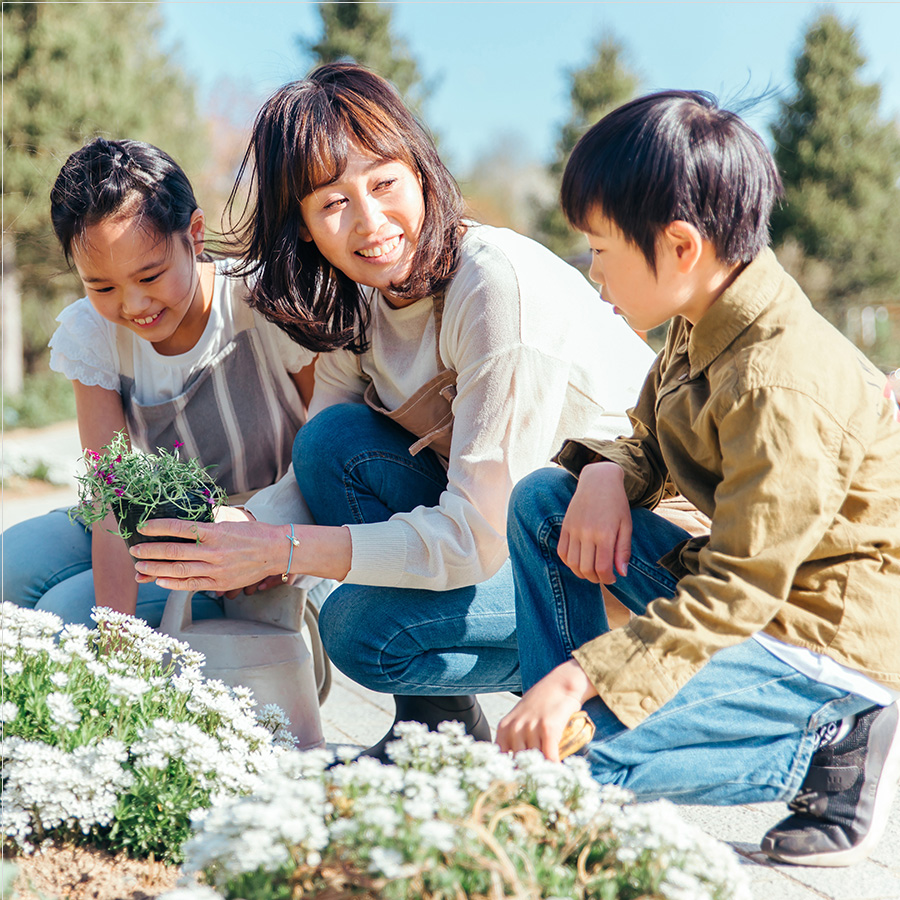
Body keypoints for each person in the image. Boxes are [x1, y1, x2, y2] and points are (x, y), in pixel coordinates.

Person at [127, 63, 656, 759]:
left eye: (383, 183)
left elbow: (475, 538)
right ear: (307, 226)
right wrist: (242, 528)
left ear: (421, 172)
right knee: (332, 445)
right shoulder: (371, 297)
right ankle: (437, 735)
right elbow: (324, 452)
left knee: (363, 629)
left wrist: (284, 551)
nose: (371, 223)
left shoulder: (494, 289)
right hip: (530, 541)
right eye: (332, 203)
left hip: (633, 561)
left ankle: (622, 686)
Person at [495, 91, 900, 868]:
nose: (593, 273)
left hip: (817, 634)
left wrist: (588, 673)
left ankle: (835, 743)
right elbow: (651, 432)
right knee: (547, 502)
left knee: (581, 772)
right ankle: (551, 738)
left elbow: (742, 590)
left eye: (601, 249)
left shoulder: (781, 383)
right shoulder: (704, 309)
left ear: (680, 246)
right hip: (747, 592)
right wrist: (608, 473)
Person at [3, 138, 317, 628]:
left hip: (275, 539)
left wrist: (275, 540)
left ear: (194, 235)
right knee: (12, 564)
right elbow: (111, 498)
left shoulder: (264, 305)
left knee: (65, 614)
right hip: (155, 530)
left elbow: (329, 452)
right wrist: (117, 638)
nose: (133, 306)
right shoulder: (93, 334)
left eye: (150, 276)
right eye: (102, 286)